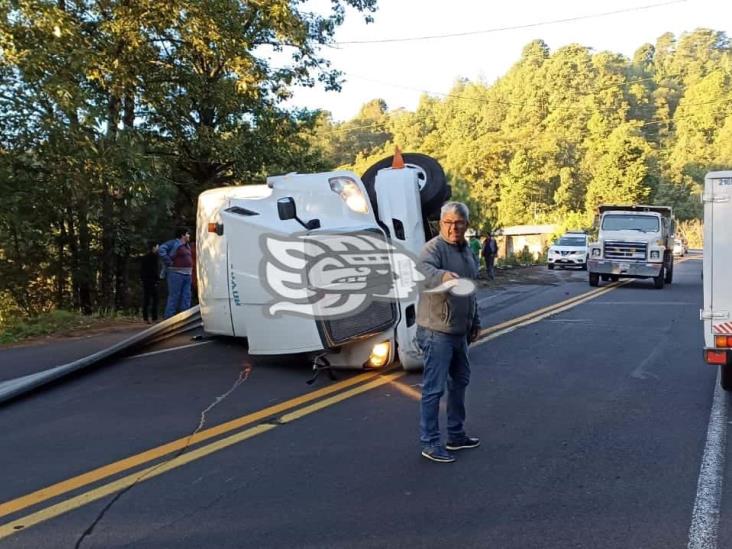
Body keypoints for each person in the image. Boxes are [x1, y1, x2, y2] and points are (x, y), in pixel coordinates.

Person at [416, 201, 481, 463]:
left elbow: (470, 289)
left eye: (459, 222)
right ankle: (430, 442)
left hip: (459, 331)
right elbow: (423, 270)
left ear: (466, 224)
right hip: (436, 331)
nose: (453, 227)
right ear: (440, 223)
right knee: (433, 390)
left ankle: (455, 435)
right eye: (448, 222)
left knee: (460, 382)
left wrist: (475, 320)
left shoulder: (467, 251)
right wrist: (443, 277)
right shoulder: (433, 249)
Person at [159, 227, 193, 319]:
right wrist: (169, 262)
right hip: (176, 273)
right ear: (182, 235)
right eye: (187, 234)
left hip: (187, 274)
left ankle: (185, 318)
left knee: (186, 297)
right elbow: (161, 249)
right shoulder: (174, 243)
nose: (189, 235)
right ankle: (169, 318)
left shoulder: (187, 246)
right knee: (174, 296)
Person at [140, 242, 160, 323]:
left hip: (146, 280)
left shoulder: (145, 257)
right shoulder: (154, 257)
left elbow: (142, 270)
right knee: (154, 299)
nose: (158, 248)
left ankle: (146, 317)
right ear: (154, 247)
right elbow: (154, 270)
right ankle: (153, 318)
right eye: (157, 246)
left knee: (147, 299)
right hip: (151, 280)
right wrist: (157, 279)